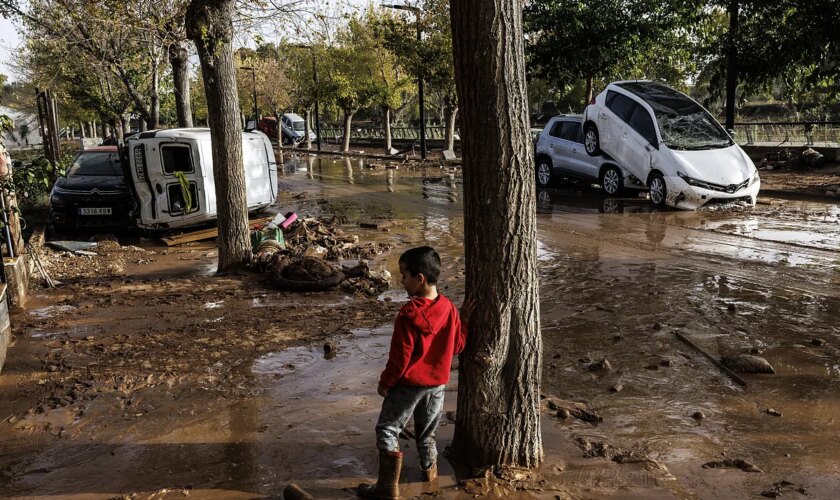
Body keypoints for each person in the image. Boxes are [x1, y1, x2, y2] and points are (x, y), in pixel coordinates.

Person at [358, 246, 473, 499]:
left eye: (404, 275)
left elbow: (400, 359)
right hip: (437, 386)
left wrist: (385, 384)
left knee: (387, 429)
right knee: (427, 433)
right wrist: (464, 321)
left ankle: (387, 488)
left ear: (419, 279)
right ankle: (429, 476)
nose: (401, 280)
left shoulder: (408, 315)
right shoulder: (450, 309)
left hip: (409, 385)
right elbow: (457, 347)